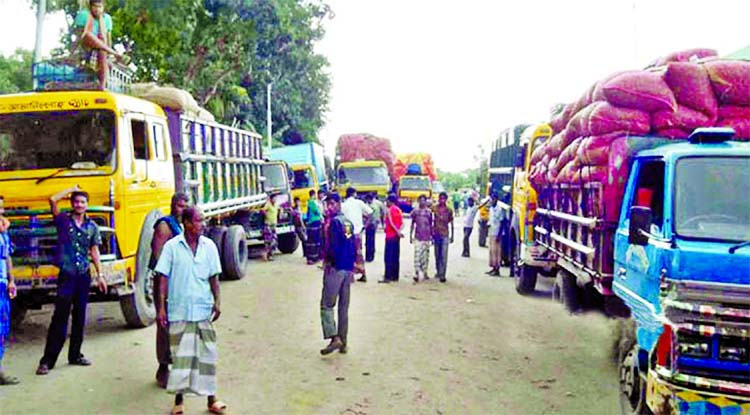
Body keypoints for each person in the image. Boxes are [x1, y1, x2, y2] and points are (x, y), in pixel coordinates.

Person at [155, 207, 227, 415]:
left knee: (207, 355)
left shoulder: (209, 246)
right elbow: (162, 278)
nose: (202, 224)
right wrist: (161, 308)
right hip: (179, 310)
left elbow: (214, 277)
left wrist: (217, 301)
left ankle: (211, 400)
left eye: (203, 220)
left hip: (203, 309)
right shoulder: (172, 247)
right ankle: (179, 402)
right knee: (182, 358)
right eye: (198, 221)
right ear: (186, 223)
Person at [37, 185, 106, 375]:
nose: (79, 205)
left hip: (83, 275)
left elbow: (94, 251)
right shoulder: (63, 221)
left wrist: (100, 275)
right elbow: (52, 199)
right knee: (60, 316)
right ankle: (47, 361)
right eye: (76, 201)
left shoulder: (92, 227)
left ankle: (75, 354)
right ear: (71, 203)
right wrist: (70, 189)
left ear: (87, 205)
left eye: (83, 202)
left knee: (80, 316)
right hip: (66, 275)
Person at [149, 192, 189, 389]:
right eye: (180, 205)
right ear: (173, 206)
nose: (182, 209)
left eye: (185, 205)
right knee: (164, 324)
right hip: (165, 283)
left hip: (180, 283)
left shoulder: (183, 226)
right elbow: (159, 261)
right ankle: (163, 368)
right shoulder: (164, 226)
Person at [319, 193, 356, 355]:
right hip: (347, 269)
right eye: (328, 204)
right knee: (343, 307)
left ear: (339, 204)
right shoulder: (347, 222)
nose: (329, 207)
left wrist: (328, 261)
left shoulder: (333, 223)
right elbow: (351, 243)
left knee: (327, 305)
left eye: (332, 204)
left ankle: (334, 338)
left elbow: (332, 247)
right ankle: (344, 342)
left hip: (335, 268)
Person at [74, 0, 127, 89]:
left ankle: (102, 86)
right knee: (88, 35)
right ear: (90, 7)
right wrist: (74, 51)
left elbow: (108, 38)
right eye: (95, 6)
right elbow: (79, 35)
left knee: (102, 51)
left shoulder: (107, 18)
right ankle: (115, 53)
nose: (97, 9)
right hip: (86, 44)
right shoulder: (84, 15)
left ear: (103, 7)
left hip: (101, 47)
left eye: (99, 7)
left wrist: (108, 54)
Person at [0, 196, 19, 385]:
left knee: (2, 328)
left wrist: (12, 280)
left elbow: (7, 257)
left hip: (2, 284)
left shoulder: (4, 232)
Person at [341, 187, 373, 282]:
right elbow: (370, 213)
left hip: (348, 229)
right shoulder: (359, 203)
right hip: (358, 231)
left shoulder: (343, 205)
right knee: (358, 253)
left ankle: (350, 275)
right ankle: (363, 273)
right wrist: (365, 225)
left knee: (348, 252)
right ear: (354, 194)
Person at [381, 194, 404, 283]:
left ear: (390, 201)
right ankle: (395, 276)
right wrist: (399, 231)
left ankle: (388, 276)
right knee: (395, 256)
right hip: (396, 236)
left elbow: (390, 222)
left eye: (387, 201)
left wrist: (396, 231)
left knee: (388, 257)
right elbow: (402, 223)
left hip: (390, 235)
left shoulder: (389, 210)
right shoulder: (399, 210)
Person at [410, 195, 433, 283]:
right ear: (418, 201)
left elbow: (430, 224)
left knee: (425, 256)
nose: (422, 202)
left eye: (424, 200)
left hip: (426, 236)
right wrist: (410, 236)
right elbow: (412, 224)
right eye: (421, 200)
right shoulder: (415, 211)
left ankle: (425, 272)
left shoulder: (429, 212)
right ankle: (416, 273)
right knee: (417, 255)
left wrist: (432, 236)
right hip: (418, 236)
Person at [432, 192, 454, 283]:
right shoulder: (434, 208)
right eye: (441, 198)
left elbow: (451, 222)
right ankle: (438, 271)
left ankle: (443, 274)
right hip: (436, 234)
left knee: (444, 255)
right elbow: (431, 220)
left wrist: (452, 235)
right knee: (437, 254)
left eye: (444, 199)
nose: (442, 200)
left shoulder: (449, 210)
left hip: (445, 234)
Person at [363, 193, 384, 263]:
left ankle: (370, 256)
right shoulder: (366, 205)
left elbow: (382, 213)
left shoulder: (377, 204)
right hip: (369, 224)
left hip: (373, 224)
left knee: (371, 240)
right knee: (368, 241)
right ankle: (368, 256)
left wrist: (382, 223)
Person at [304, 190, 323, 265]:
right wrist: (321, 214)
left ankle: (314, 257)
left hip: (313, 222)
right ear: (313, 195)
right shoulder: (311, 202)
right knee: (313, 240)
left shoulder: (311, 202)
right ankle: (312, 258)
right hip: (314, 222)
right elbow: (316, 211)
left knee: (314, 241)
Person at [486, 195, 503, 277]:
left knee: (496, 252)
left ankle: (497, 269)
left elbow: (502, 222)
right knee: (491, 251)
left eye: (493, 199)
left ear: (496, 200)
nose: (492, 201)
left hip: (497, 233)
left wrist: (499, 235)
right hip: (491, 232)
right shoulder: (491, 209)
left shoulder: (499, 209)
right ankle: (493, 267)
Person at [262, 195, 279, 261]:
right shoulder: (268, 205)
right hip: (268, 225)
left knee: (274, 241)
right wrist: (266, 214)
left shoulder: (276, 205)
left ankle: (270, 254)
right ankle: (266, 254)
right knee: (268, 241)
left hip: (273, 225)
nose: (275, 200)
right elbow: (262, 210)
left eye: (276, 198)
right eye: (274, 198)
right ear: (271, 199)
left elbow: (279, 208)